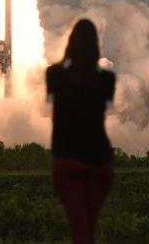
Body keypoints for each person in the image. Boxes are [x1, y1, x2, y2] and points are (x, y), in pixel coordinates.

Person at [45, 19, 116, 244]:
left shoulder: (55, 75)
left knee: (80, 230)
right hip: (100, 163)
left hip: (67, 163)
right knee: (88, 229)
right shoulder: (106, 79)